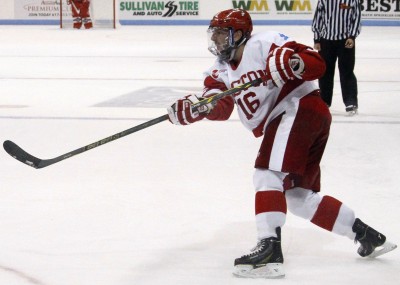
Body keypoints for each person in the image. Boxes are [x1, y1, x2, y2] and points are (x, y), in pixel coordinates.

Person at [167, 8, 396, 279]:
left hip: (298, 107)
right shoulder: (218, 71)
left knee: (267, 175)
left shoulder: (264, 43)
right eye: (213, 36)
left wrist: (295, 62)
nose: (216, 42)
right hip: (304, 118)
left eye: (222, 35)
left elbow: (317, 63)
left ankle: (269, 250)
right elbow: (222, 105)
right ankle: (366, 235)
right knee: (298, 198)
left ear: (239, 35)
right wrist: (199, 109)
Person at [312, 0, 361, 116]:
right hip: (326, 41)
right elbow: (318, 17)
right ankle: (324, 101)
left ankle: (351, 102)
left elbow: (356, 18)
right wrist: (317, 39)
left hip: (345, 40)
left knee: (347, 71)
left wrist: (352, 37)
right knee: (325, 72)